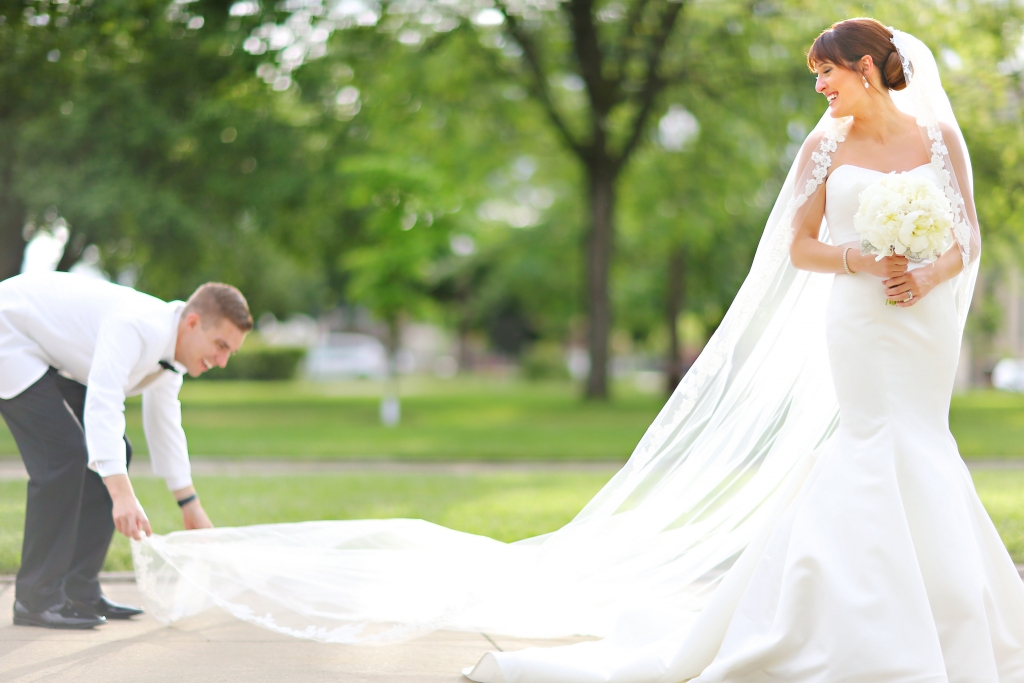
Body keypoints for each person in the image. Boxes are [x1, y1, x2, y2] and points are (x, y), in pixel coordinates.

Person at [129, 20, 1024, 682]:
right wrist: (868, 258)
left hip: (921, 320)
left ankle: (950, 620)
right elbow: (799, 249)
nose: (819, 90)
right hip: (860, 318)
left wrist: (930, 268)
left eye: (826, 75)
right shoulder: (825, 147)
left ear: (867, 68)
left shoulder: (938, 137)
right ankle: (848, 625)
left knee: (923, 443)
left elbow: (970, 241)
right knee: (868, 446)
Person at [0, 273, 251, 629]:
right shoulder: (136, 326)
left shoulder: (170, 355)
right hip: (7, 333)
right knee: (65, 455)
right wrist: (121, 495)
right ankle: (36, 598)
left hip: (32, 348)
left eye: (231, 352)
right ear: (193, 323)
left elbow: (165, 426)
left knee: (119, 452)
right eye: (221, 345)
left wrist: (189, 505)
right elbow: (104, 402)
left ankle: (77, 591)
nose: (223, 361)